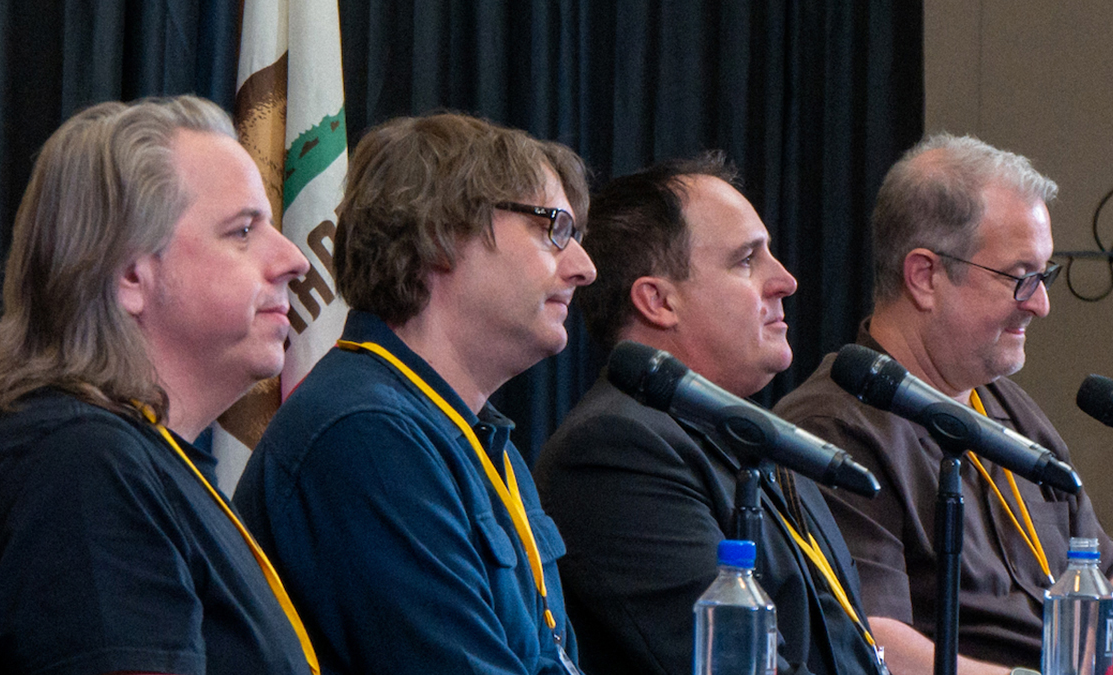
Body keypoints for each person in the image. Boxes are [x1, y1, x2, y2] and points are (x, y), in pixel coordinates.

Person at [0, 96, 319, 674]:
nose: (294, 259)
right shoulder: (78, 465)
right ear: (131, 273)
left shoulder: (127, 460)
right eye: (244, 231)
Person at [233, 113, 597, 675]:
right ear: (442, 234)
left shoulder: (485, 443)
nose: (584, 268)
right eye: (553, 228)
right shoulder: (366, 434)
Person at [774, 133, 1113, 674]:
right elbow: (870, 641)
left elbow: (1100, 581)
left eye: (1044, 275)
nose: (1042, 305)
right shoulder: (833, 428)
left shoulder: (1014, 411)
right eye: (1022, 277)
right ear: (925, 276)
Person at [533, 152, 884, 675]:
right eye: (747, 260)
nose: (785, 280)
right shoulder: (615, 450)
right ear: (658, 301)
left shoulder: (758, 440)